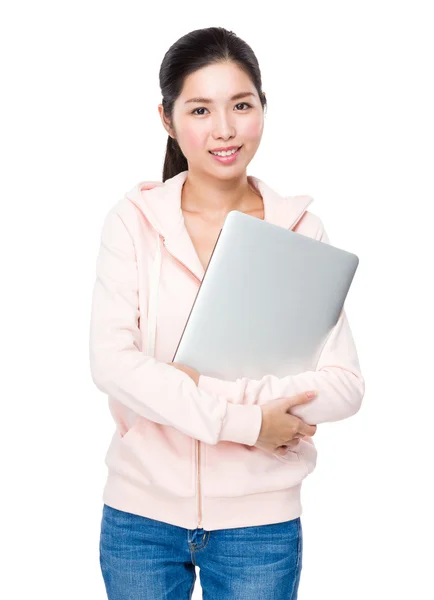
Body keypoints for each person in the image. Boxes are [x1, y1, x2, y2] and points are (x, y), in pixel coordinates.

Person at [89, 26, 365, 600]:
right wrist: (251, 423)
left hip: (258, 528)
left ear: (263, 108)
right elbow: (112, 365)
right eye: (200, 109)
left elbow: (344, 387)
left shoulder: (298, 232)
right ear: (167, 119)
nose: (224, 129)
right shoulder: (133, 223)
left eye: (241, 105)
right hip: (140, 521)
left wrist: (187, 386)